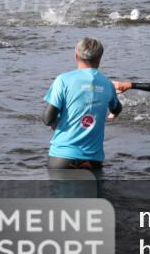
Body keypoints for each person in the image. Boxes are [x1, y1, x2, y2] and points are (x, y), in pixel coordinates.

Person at [44, 37, 122, 171]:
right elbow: (117, 108)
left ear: (76, 56)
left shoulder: (63, 80)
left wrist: (57, 125)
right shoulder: (107, 84)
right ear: (99, 59)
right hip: (92, 160)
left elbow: (47, 118)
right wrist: (113, 113)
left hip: (62, 158)